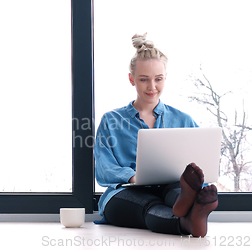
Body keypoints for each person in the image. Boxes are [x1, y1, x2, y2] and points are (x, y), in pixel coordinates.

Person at [93, 33, 218, 237]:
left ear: (165, 78)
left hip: (170, 186)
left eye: (158, 79)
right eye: (144, 80)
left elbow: (201, 161)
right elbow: (104, 169)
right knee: (148, 206)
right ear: (131, 79)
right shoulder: (111, 120)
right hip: (125, 192)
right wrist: (133, 177)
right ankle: (187, 222)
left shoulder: (184, 120)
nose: (152, 87)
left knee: (177, 192)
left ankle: (187, 209)